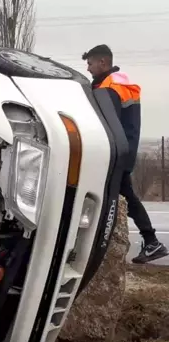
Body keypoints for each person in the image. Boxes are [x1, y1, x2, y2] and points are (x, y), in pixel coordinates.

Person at [83, 45, 168, 264]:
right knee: (126, 195)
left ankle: (149, 242)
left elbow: (107, 124)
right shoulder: (121, 83)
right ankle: (151, 242)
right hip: (125, 149)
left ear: (103, 63)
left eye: (90, 63)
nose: (88, 67)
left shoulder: (109, 88)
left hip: (116, 152)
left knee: (116, 196)